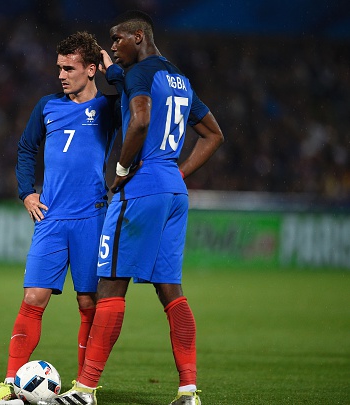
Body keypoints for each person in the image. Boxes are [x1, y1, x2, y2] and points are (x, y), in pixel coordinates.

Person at [49, 10, 224, 405]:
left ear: (139, 37)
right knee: (171, 291)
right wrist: (179, 173)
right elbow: (214, 134)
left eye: (118, 40)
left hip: (140, 189)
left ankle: (86, 389)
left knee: (110, 285)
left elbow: (140, 119)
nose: (113, 47)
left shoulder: (141, 75)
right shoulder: (177, 78)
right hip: (173, 192)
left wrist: (123, 167)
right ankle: (189, 390)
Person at [0, 31, 121, 403]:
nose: (61, 75)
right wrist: (27, 191)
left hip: (91, 217)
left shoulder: (110, 108)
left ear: (91, 69)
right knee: (33, 296)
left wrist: (114, 69)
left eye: (70, 68)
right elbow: (26, 147)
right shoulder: (47, 106)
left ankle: (84, 385)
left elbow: (135, 101)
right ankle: (12, 383)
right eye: (59, 67)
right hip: (51, 219)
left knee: (88, 302)